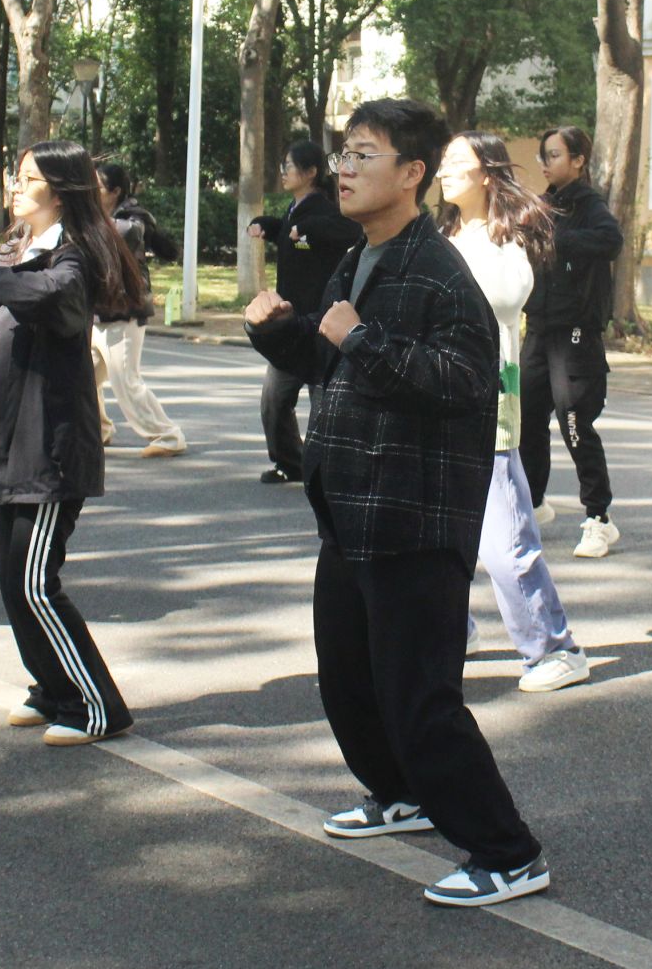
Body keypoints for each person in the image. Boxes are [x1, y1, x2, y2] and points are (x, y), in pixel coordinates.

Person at [244, 98, 547, 908]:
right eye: (343, 153)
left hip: (413, 514)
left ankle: (508, 852)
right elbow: (330, 360)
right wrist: (278, 330)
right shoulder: (361, 258)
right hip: (352, 507)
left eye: (363, 155)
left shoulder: (439, 271)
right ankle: (401, 793)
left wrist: (358, 337)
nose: (344, 169)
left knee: (420, 699)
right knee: (348, 680)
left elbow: (464, 383)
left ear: (412, 173)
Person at [0, 141, 141, 745]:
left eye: (27, 178)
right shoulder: (15, 250)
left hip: (51, 444)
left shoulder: (74, 257)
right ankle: (53, 687)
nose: (15, 186)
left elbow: (41, 294)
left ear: (60, 190)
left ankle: (96, 706)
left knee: (36, 583)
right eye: (16, 176)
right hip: (10, 436)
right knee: (14, 582)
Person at [435, 132, 590, 693]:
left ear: (487, 173)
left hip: (488, 407)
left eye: (457, 162)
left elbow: (504, 299)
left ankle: (555, 649)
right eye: (443, 161)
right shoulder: (442, 234)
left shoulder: (505, 237)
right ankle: (451, 632)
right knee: (439, 542)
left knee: (507, 546)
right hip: (436, 406)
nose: (443, 171)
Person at [521, 125, 622, 558]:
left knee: (575, 420)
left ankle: (599, 519)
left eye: (555, 154)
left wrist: (556, 237)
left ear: (578, 160)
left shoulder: (589, 205)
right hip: (539, 327)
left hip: (576, 331)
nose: (546, 162)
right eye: (543, 155)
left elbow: (610, 241)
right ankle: (532, 504)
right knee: (525, 417)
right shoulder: (543, 205)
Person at [249, 140, 358, 483]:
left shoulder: (326, 210)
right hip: (289, 323)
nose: (283, 171)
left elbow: (346, 231)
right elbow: (293, 238)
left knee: (322, 405)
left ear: (310, 172)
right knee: (274, 400)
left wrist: (306, 230)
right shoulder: (294, 210)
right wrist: (268, 225)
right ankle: (289, 463)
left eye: (289, 166)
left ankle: (323, 471)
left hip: (320, 323)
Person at [91, 162, 186, 458]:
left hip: (123, 312)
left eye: (97, 186)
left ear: (115, 192)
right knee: (83, 378)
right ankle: (98, 430)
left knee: (126, 382)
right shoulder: (98, 218)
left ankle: (168, 436)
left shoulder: (132, 220)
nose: (91, 190)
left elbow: (124, 233)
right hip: (97, 313)